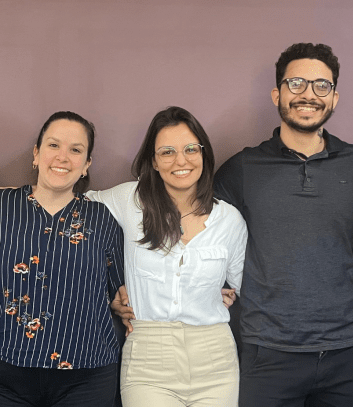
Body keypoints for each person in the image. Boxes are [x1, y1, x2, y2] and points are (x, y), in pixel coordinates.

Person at [214, 43, 353, 406]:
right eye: (297, 83)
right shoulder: (242, 168)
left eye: (322, 86)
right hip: (267, 352)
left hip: (346, 351)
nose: (308, 95)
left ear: (334, 98)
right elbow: (201, 236)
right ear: (277, 94)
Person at [90, 106, 247, 406]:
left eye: (190, 149)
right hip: (148, 357)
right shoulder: (130, 200)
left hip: (215, 357)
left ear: (204, 153)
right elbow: (72, 206)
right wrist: (108, 290)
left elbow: (244, 286)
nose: (181, 161)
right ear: (154, 161)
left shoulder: (230, 220)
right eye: (167, 152)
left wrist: (217, 294)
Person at [0, 111, 126, 406]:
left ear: (86, 165)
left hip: (86, 375)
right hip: (6, 371)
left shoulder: (102, 218)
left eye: (76, 150)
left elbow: (123, 291)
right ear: (36, 154)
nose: (63, 157)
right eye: (54, 145)